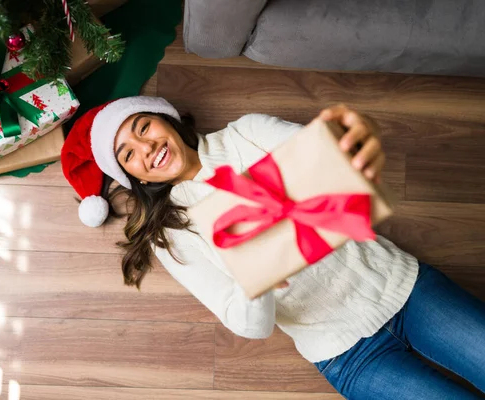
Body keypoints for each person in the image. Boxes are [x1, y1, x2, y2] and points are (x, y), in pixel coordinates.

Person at [61, 96, 485, 400]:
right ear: (135, 176)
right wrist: (256, 282)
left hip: (404, 288)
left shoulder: (247, 133)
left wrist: (351, 149)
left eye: (143, 128)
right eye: (128, 154)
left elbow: (335, 163)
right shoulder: (172, 236)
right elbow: (248, 325)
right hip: (347, 354)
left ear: (166, 119)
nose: (146, 148)